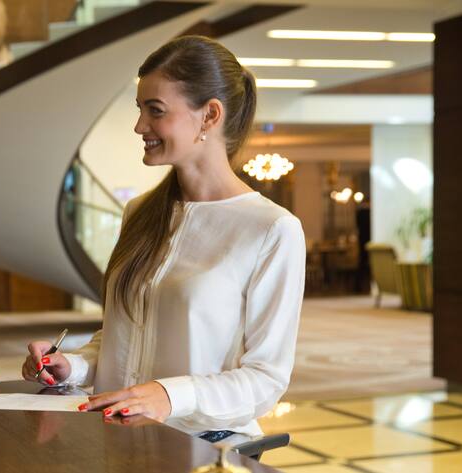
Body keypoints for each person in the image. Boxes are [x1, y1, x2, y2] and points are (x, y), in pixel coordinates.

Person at [22, 35, 305, 446]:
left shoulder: (271, 229)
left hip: (201, 447)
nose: (139, 127)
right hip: (118, 440)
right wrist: (75, 366)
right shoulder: (140, 212)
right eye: (140, 110)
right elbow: (125, 333)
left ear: (209, 116)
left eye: (155, 111)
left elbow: (266, 379)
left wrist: (170, 395)